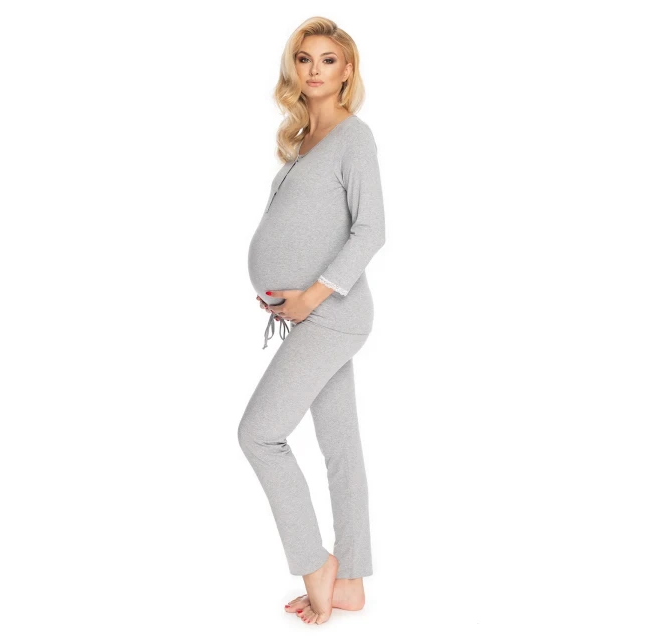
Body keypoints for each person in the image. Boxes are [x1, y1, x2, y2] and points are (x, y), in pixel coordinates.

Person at [239, 16, 386, 626]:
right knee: (340, 446)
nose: (315, 69)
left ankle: (316, 564)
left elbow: (370, 231)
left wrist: (310, 298)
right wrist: (280, 295)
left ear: (346, 70)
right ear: (293, 69)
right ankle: (350, 582)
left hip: (333, 315)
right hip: (309, 318)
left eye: (328, 59)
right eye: (305, 59)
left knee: (258, 435)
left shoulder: (355, 138)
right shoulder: (302, 140)